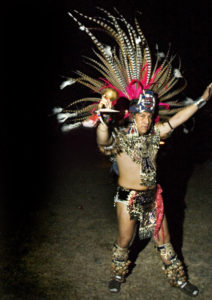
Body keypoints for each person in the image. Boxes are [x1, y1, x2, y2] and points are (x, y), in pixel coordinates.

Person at [55, 8, 212, 297]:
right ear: (132, 116)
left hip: (153, 196)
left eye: (149, 116)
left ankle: (179, 279)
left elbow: (177, 120)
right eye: (141, 116)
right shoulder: (118, 137)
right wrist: (102, 122)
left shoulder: (155, 133)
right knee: (125, 239)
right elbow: (103, 141)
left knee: (164, 239)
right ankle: (117, 275)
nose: (145, 120)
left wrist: (201, 101)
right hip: (127, 197)